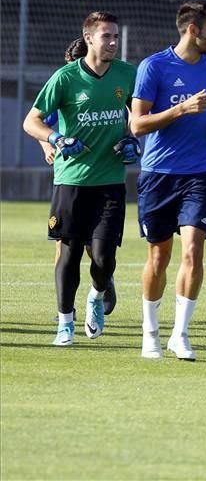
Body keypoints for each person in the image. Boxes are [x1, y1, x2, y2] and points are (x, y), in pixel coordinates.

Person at [23, 12, 137, 346]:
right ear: (88, 38)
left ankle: (96, 297)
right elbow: (31, 121)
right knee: (69, 254)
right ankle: (64, 323)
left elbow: (141, 115)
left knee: (104, 258)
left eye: (115, 36)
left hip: (111, 181)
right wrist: (56, 139)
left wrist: (133, 140)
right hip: (71, 181)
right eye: (106, 36)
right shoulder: (65, 78)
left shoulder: (128, 74)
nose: (113, 42)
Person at [130, 1, 206, 361]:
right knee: (159, 257)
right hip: (158, 174)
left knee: (193, 250)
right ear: (193, 30)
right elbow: (137, 125)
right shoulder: (153, 66)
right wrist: (179, 110)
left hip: (199, 174)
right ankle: (150, 331)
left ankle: (180, 333)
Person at [40, 38, 118, 318]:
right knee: (64, 246)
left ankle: (103, 281)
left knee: (95, 247)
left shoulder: (113, 83)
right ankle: (65, 310)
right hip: (69, 174)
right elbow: (40, 123)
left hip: (104, 176)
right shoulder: (65, 84)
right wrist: (49, 145)